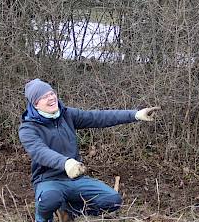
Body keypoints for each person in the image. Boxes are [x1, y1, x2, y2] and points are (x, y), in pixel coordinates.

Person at [18, 78, 160, 222]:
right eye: (44, 96)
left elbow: (99, 117)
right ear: (35, 103)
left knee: (113, 200)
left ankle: (67, 211)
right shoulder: (28, 128)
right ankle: (43, 218)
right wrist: (65, 163)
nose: (51, 98)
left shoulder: (66, 115)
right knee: (49, 200)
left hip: (75, 179)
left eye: (51, 93)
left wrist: (135, 115)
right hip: (48, 180)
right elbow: (40, 152)